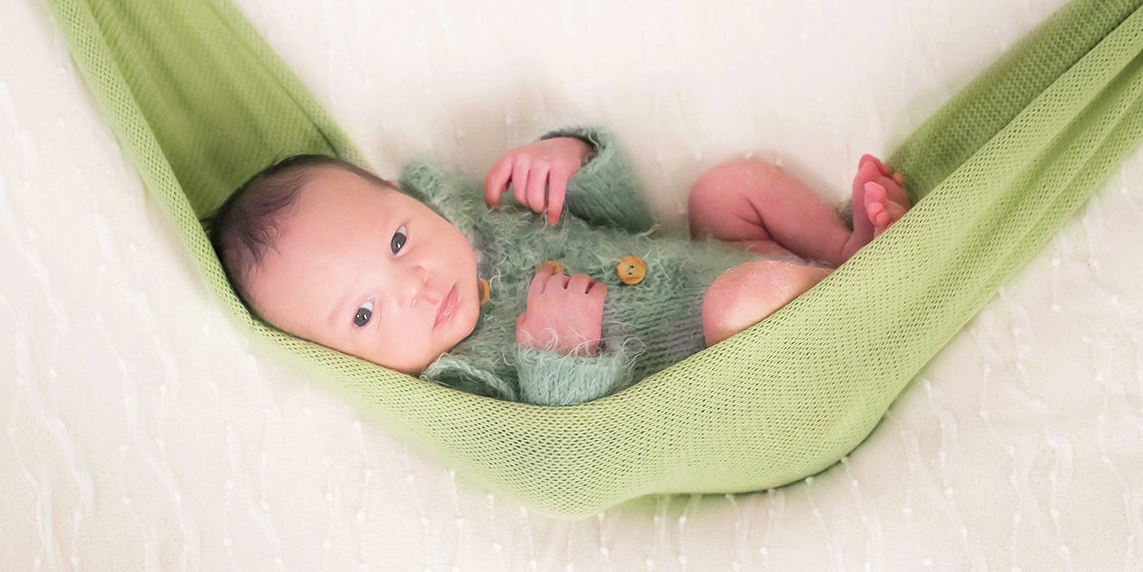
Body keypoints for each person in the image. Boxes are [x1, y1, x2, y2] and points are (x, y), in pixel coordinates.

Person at [205, 128, 909, 405]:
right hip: (723, 350)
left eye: (397, 241)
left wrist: (571, 162)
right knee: (736, 301)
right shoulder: (460, 380)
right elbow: (567, 449)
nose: (415, 286)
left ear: (407, 197)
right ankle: (868, 288)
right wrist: (563, 355)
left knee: (724, 189)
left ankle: (839, 251)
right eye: (364, 314)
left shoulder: (473, 215)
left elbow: (627, 223)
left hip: (717, 259)